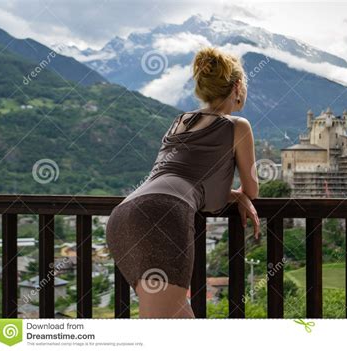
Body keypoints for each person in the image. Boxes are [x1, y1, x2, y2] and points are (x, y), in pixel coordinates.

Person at [106, 47, 260, 318]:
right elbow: (252, 189)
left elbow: (186, 176)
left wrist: (230, 195)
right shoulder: (237, 126)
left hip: (124, 214)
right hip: (164, 215)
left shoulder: (180, 122)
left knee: (174, 317)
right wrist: (240, 195)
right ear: (237, 86)